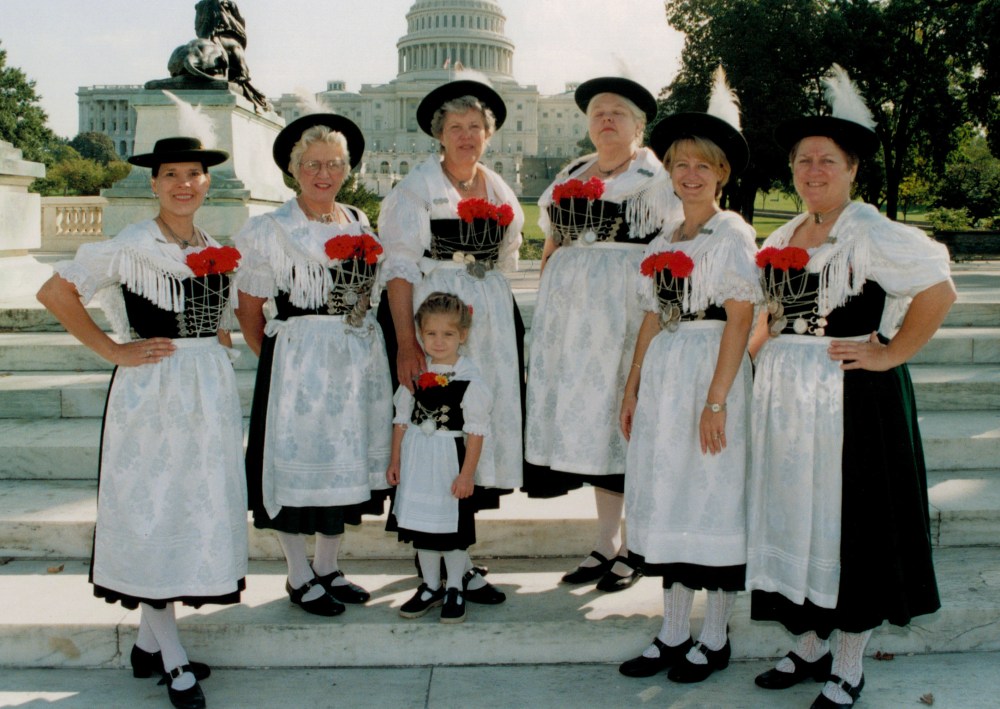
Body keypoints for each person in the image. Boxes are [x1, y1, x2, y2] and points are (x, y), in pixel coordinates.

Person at [745, 65, 954, 709]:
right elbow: (767, 314)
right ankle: (808, 644)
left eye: (827, 161)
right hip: (789, 407)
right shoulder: (784, 235)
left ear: (852, 168)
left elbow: (938, 287)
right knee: (797, 520)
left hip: (852, 401)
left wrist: (892, 353)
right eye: (803, 161)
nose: (813, 170)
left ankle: (849, 661)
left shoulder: (869, 231)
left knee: (850, 525)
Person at [37, 136, 246, 709]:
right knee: (155, 507)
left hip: (205, 392)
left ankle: (149, 647)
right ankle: (174, 661)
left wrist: (216, 341)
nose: (184, 183)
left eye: (195, 173)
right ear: (154, 184)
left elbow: (216, 317)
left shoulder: (211, 243)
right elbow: (56, 291)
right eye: (172, 174)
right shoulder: (134, 244)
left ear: (207, 182)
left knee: (189, 504)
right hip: (154, 393)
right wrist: (113, 349)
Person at [617, 68, 761, 683]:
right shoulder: (664, 237)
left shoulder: (733, 237)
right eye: (680, 165)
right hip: (668, 371)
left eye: (704, 166)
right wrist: (633, 385)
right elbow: (652, 315)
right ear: (670, 172)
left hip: (710, 371)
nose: (691, 176)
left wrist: (718, 400)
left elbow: (738, 320)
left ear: (722, 174)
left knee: (711, 495)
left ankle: (716, 633)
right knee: (670, 490)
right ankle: (673, 629)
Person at [524, 77, 680, 592]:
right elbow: (552, 242)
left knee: (625, 425)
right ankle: (605, 541)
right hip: (572, 325)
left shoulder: (655, 179)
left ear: (640, 124)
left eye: (618, 112)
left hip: (623, 318)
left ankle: (637, 544)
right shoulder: (572, 172)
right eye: (597, 112)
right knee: (595, 431)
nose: (606, 119)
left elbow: (671, 251)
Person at [234, 114, 391, 617]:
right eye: (312, 164)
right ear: (294, 169)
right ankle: (297, 572)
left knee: (341, 466)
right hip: (298, 366)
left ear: (348, 169)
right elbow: (249, 308)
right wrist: (280, 363)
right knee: (295, 464)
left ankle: (328, 566)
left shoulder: (358, 222)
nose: (324, 173)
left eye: (334, 164)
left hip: (354, 363)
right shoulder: (271, 230)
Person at [378, 77, 523, 605]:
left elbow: (507, 258)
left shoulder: (499, 189)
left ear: (489, 135)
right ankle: (432, 571)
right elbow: (398, 267)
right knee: (434, 432)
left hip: (487, 322)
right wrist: (406, 342)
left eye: (476, 128)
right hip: (434, 318)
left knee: (474, 432)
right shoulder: (416, 189)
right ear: (439, 135)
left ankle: (461, 564)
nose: (466, 137)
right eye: (456, 128)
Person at [386, 292, 492, 623]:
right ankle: (430, 585)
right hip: (418, 460)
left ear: (463, 335)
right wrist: (395, 461)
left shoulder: (469, 376)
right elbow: (402, 419)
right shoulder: (416, 371)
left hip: (449, 460)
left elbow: (476, 431)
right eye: (431, 334)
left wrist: (466, 474)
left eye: (448, 334)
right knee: (423, 528)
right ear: (419, 334)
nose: (439, 341)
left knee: (452, 531)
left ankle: (456, 586)